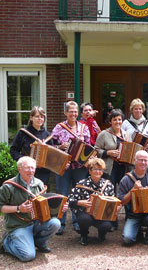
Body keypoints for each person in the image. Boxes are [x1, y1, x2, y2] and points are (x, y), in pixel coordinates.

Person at [0, 156, 67, 262]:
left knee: (55, 223)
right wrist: (19, 208)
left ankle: (39, 243)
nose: (31, 171)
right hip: (18, 225)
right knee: (28, 256)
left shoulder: (39, 184)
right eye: (27, 168)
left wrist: (60, 208)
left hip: (36, 222)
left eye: (33, 168)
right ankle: (6, 242)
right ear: (19, 169)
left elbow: (45, 206)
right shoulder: (8, 186)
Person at [51, 101, 91, 235]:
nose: (73, 114)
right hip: (64, 166)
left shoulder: (83, 128)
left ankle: (77, 222)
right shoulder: (59, 127)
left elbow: (88, 146)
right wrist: (59, 147)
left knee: (77, 194)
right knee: (62, 194)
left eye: (75, 111)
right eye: (71, 111)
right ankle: (60, 224)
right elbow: (50, 147)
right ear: (65, 113)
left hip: (79, 167)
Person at [68, 157, 115, 246]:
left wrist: (116, 206)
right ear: (90, 171)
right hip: (86, 214)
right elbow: (70, 200)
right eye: (95, 169)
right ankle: (84, 235)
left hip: (101, 215)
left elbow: (113, 200)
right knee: (84, 219)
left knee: (107, 225)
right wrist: (80, 203)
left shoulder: (108, 185)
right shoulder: (82, 184)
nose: (98, 172)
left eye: (100, 169)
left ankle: (101, 234)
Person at [10, 106, 53, 186]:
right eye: (37, 116)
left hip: (43, 172)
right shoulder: (23, 133)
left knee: (41, 195)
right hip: (27, 170)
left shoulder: (47, 135)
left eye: (42, 117)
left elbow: (51, 154)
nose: (40, 119)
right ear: (31, 118)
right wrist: (24, 161)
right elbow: (13, 150)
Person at [95, 109, 131, 186]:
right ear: (110, 121)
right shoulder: (103, 134)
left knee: (122, 191)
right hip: (109, 168)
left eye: (119, 119)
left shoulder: (127, 135)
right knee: (109, 191)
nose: (117, 122)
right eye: (115, 120)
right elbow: (96, 150)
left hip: (123, 168)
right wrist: (107, 153)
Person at [121, 98, 148, 167]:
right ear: (132, 110)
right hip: (130, 157)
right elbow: (121, 139)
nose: (138, 111)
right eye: (135, 109)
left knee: (145, 176)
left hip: (144, 156)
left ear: (143, 110)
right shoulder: (126, 123)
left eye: (140, 108)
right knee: (132, 177)